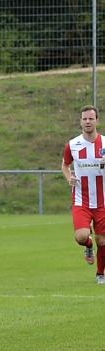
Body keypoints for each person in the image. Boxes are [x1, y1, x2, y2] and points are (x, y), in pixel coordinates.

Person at [62, 105, 105, 285]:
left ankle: (100, 274)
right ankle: (87, 247)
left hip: (103, 201)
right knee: (81, 236)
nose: (88, 121)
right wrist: (69, 177)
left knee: (102, 241)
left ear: (97, 120)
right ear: (80, 121)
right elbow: (65, 165)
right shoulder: (72, 144)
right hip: (81, 200)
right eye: (85, 119)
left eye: (91, 118)